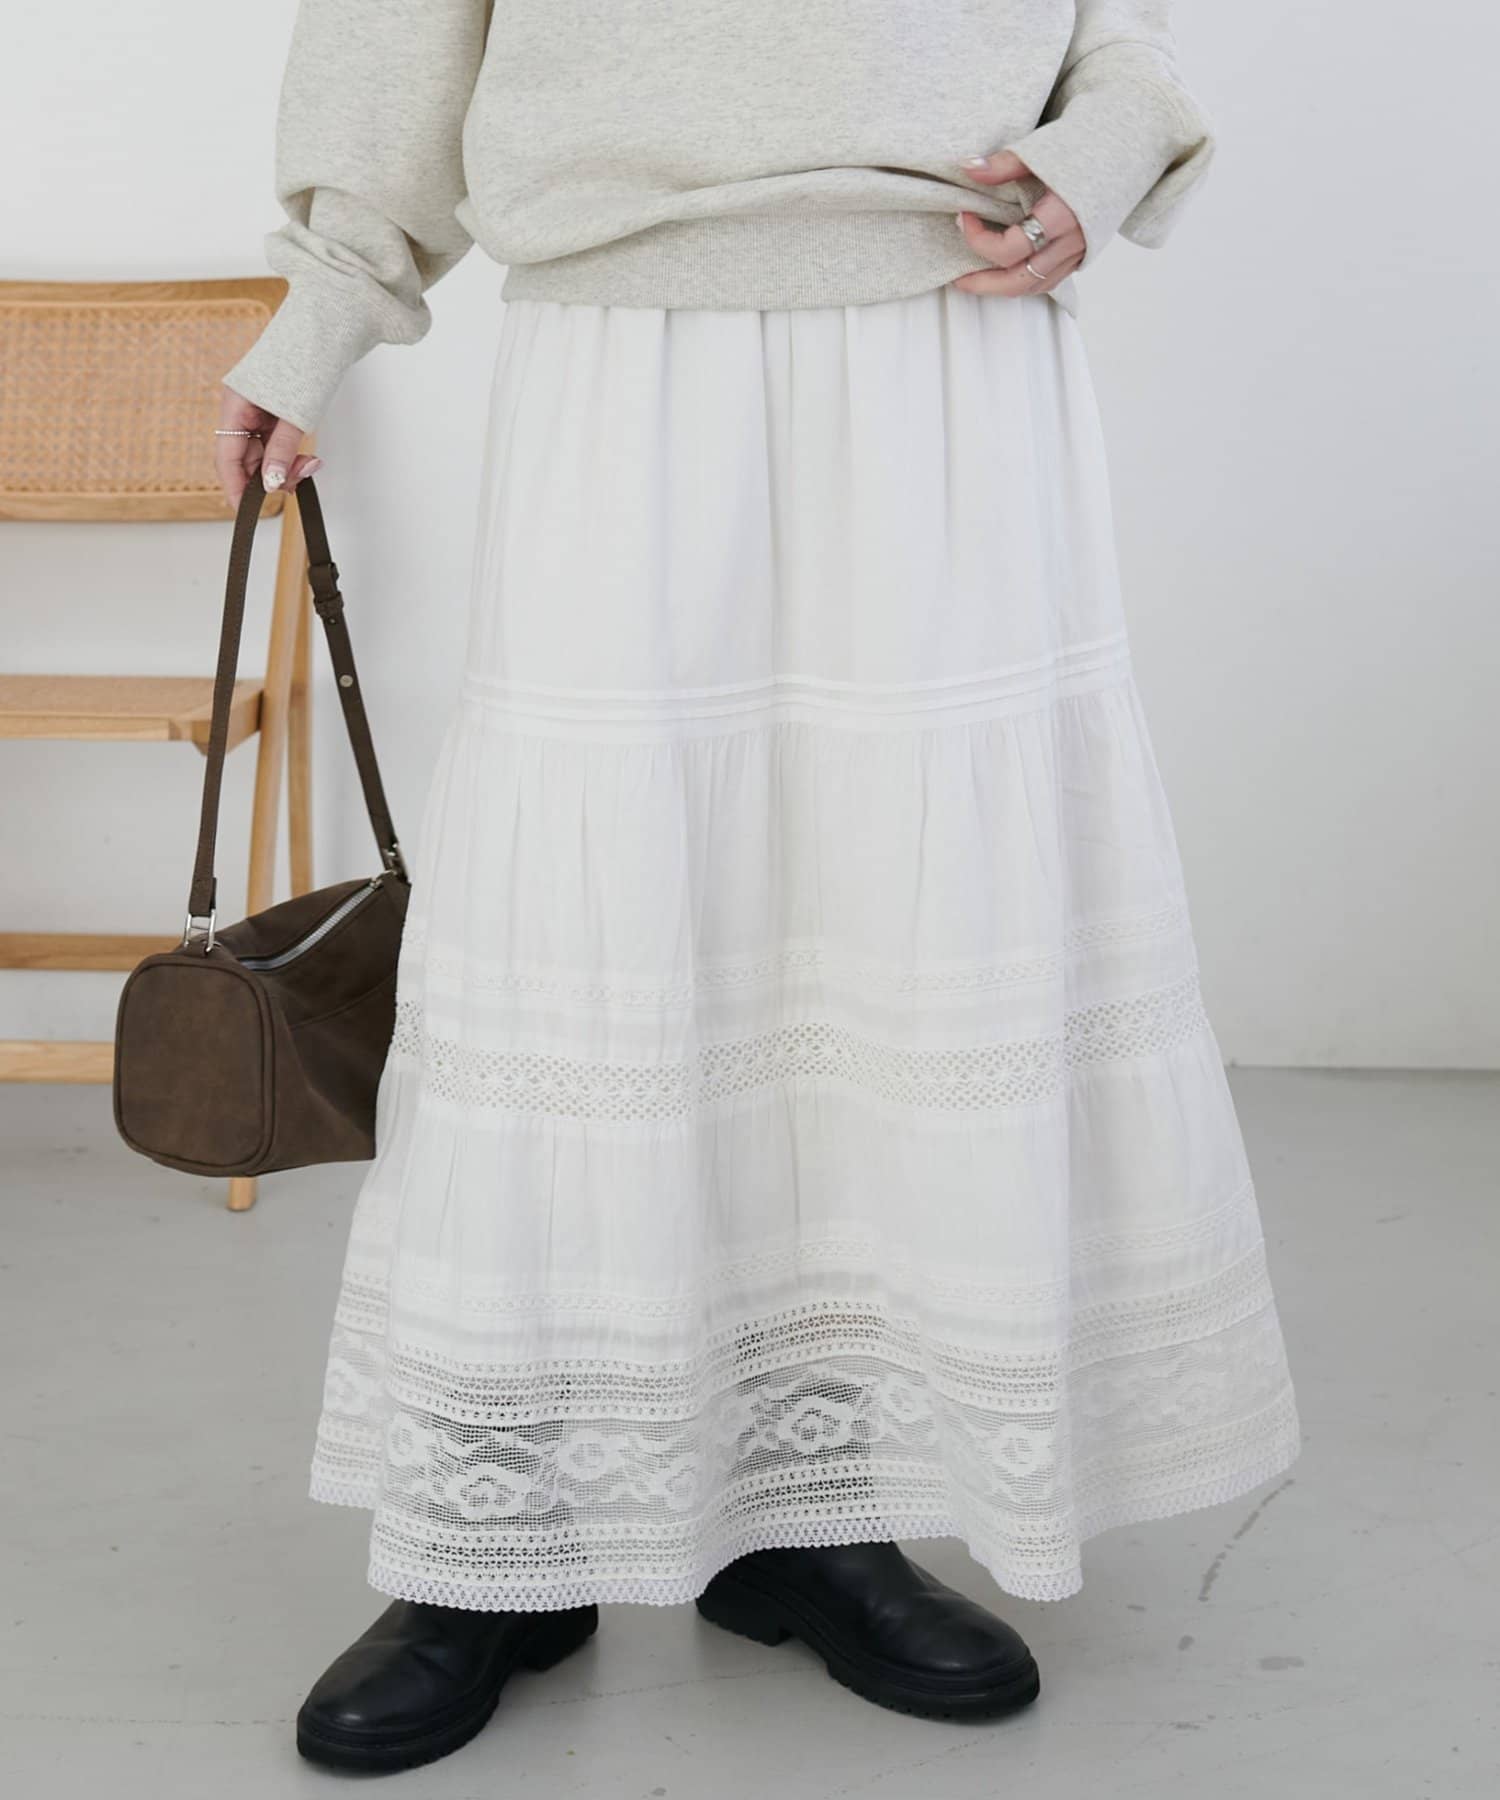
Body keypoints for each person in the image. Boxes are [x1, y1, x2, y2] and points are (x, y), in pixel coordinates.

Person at [217, 1, 1301, 1775]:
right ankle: (503, 1530)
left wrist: (1096, 162)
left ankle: (816, 1512)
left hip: (950, 339)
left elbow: (1121, 34)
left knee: (887, 927)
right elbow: (395, 37)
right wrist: (317, 317)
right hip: (630, 340)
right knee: (591, 932)